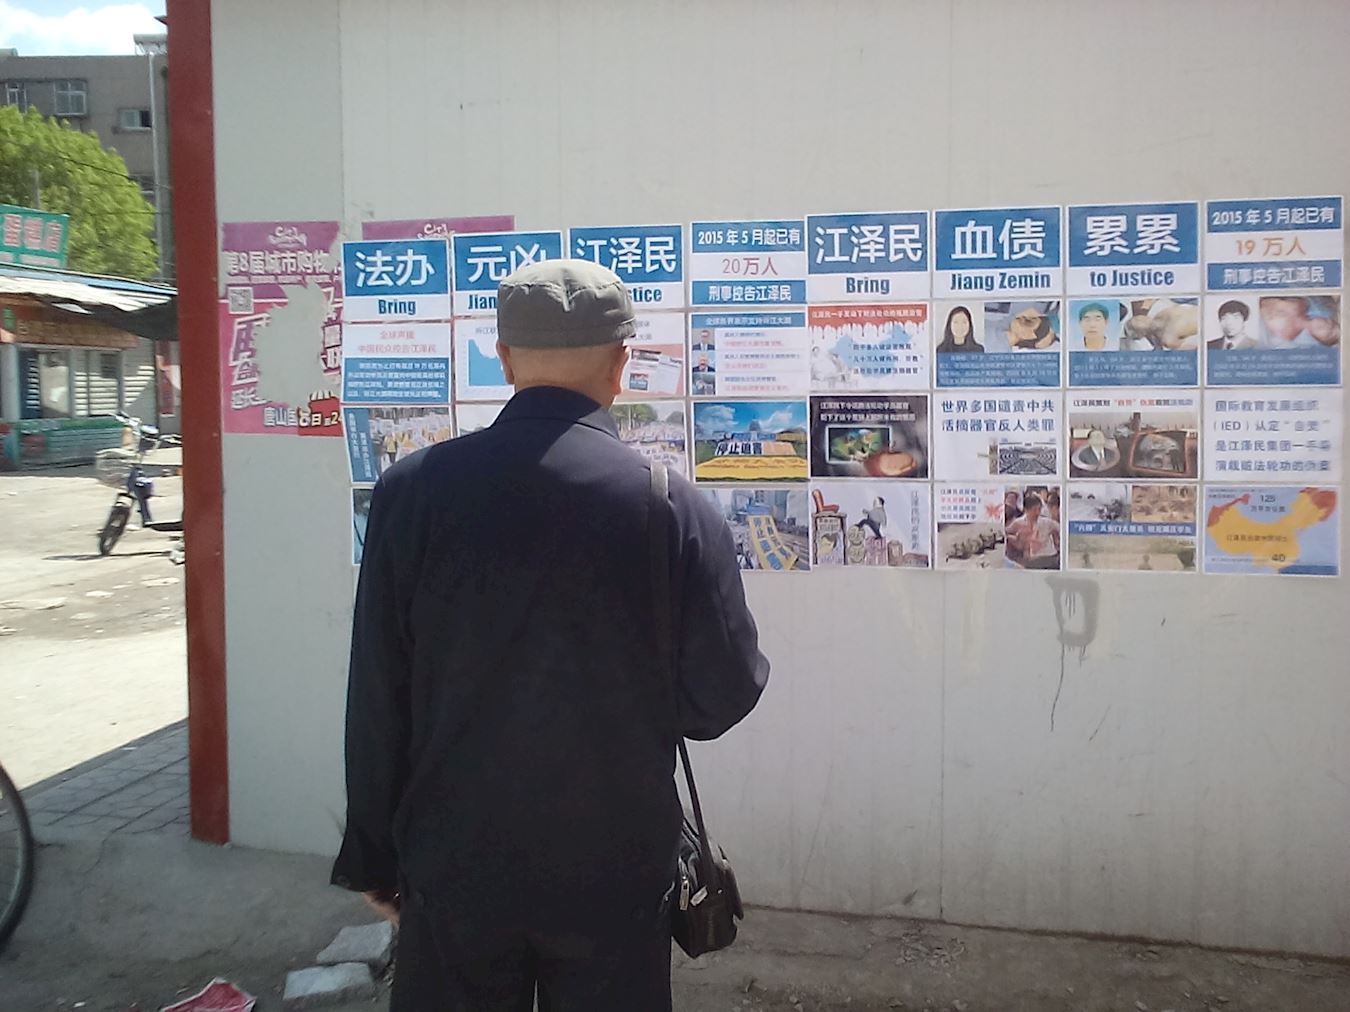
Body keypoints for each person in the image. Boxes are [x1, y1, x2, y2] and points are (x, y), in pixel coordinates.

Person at [332, 260, 770, 1011]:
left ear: (504, 359)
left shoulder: (410, 493)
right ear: (622, 363)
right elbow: (720, 698)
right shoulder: (672, 507)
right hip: (615, 868)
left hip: (453, 861)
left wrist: (373, 854)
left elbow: (377, 696)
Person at [1006, 491, 1060, 570]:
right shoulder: (1018, 523)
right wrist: (1015, 539)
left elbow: (1061, 529)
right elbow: (1005, 533)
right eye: (1034, 510)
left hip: (1049, 558)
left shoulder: (1047, 522)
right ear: (1026, 510)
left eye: (1039, 509)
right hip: (1031, 561)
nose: (1037, 512)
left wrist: (1057, 540)